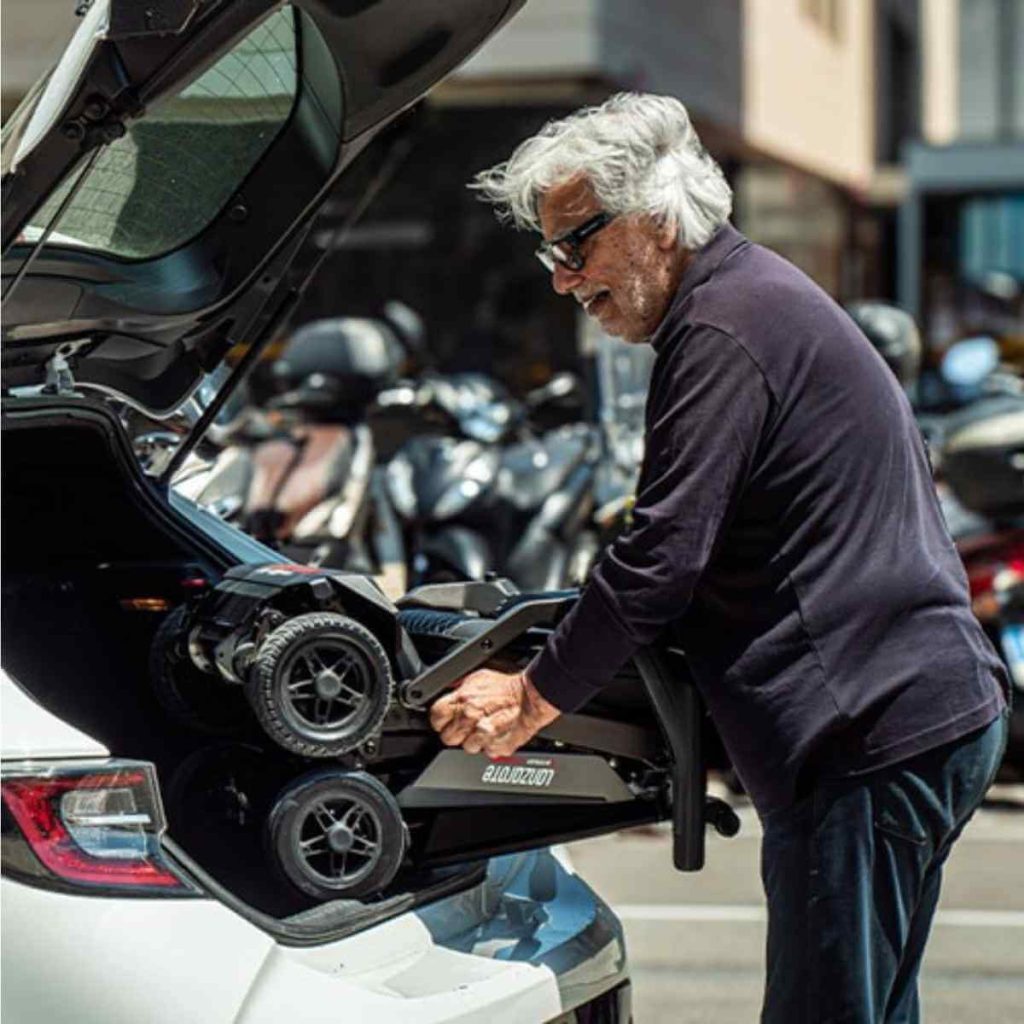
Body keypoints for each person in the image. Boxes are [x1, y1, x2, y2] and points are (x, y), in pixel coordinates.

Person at [428, 93, 1009, 1023]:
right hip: (908, 716)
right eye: (550, 254)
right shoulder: (749, 299)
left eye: (575, 245)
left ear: (656, 220)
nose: (563, 279)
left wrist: (532, 697)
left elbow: (660, 557)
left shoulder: (723, 327)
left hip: (866, 732)